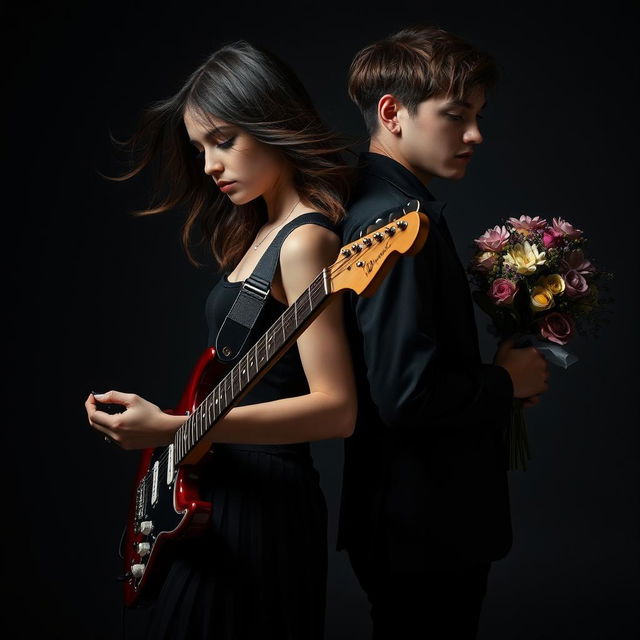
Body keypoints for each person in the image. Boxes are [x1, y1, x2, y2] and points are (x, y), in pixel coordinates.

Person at [85, 40, 357, 640]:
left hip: (264, 506)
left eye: (224, 140)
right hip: (220, 492)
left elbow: (337, 408)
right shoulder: (264, 231)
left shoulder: (306, 240)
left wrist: (175, 429)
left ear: (274, 123)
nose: (210, 164)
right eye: (200, 147)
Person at [336, 25, 550, 639]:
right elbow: (405, 393)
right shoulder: (394, 223)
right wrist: (502, 383)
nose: (476, 135)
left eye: (478, 116)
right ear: (392, 113)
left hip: (409, 521)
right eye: (457, 116)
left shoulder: (376, 205)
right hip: (423, 528)